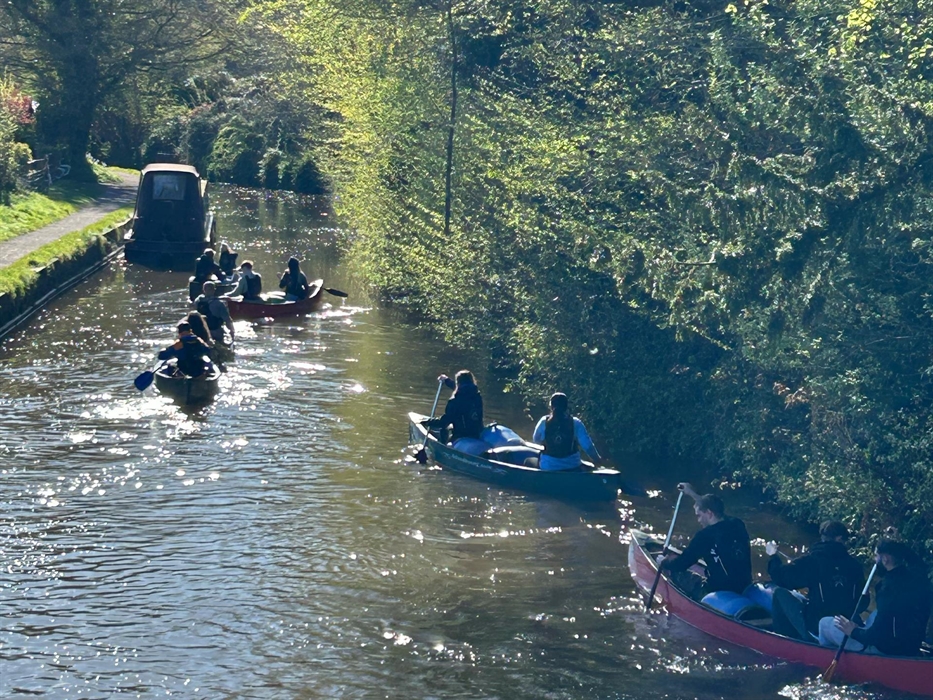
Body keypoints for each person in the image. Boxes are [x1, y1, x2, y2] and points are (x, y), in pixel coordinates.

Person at [819, 539, 931, 656]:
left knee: (824, 623)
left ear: (885, 559)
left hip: (887, 648)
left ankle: (826, 657)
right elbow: (916, 561)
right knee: (875, 613)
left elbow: (876, 636)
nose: (874, 560)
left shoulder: (888, 589)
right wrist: (894, 545)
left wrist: (853, 631)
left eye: (876, 556)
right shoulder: (919, 577)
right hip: (912, 643)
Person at [765, 521, 865, 640]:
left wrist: (773, 556)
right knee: (802, 597)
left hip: (817, 626)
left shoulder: (812, 561)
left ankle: (786, 639)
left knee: (779, 593)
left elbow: (781, 578)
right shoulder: (855, 565)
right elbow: (863, 603)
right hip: (850, 625)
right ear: (839, 539)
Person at [658, 483, 752, 597]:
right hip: (744, 586)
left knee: (678, 575)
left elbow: (681, 564)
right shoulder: (737, 524)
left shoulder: (704, 536)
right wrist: (692, 494)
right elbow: (713, 506)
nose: (698, 520)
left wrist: (664, 562)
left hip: (718, 590)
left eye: (699, 515)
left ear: (709, 513)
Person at [526, 392, 601, 471]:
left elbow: (536, 440)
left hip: (548, 466)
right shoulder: (576, 423)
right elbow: (588, 447)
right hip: (573, 466)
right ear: (566, 406)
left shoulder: (544, 421)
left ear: (551, 406)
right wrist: (597, 460)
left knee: (528, 461)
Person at [424, 370, 484, 446]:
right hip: (477, 433)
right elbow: (464, 390)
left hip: (461, 435)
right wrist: (446, 380)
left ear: (458, 383)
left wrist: (427, 421)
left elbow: (443, 422)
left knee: (444, 429)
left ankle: (442, 447)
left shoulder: (454, 401)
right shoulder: (477, 396)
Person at [194, 281, 235, 345]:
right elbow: (227, 320)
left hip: (201, 332)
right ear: (214, 290)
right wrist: (232, 332)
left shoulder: (197, 301)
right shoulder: (219, 303)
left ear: (203, 290)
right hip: (215, 332)